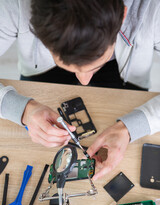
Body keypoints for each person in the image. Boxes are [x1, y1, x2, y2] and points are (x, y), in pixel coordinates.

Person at [0, 0, 160, 180]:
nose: (83, 81)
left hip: (128, 85)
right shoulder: (13, 4)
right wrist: (20, 109)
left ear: (123, 16)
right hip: (40, 76)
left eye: (94, 67)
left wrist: (133, 126)